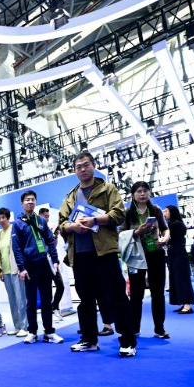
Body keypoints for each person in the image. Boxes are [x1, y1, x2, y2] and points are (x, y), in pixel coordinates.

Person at [58, 151, 136, 356]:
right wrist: (72, 226)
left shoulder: (108, 189)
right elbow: (61, 224)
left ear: (93, 166)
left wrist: (95, 220)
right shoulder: (70, 196)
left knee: (117, 296)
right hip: (79, 255)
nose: (83, 169)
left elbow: (119, 214)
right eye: (79, 167)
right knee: (85, 300)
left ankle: (127, 341)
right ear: (74, 171)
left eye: (86, 165)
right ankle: (89, 339)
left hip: (104, 252)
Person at [12, 191, 63, 344]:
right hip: (29, 266)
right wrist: (21, 268)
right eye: (27, 200)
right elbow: (16, 248)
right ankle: (32, 332)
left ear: (35, 202)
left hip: (44, 264)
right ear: (22, 203)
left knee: (47, 299)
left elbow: (50, 240)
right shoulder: (18, 224)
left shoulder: (41, 220)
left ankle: (49, 332)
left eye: (32, 199)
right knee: (31, 301)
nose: (30, 202)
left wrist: (55, 260)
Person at [121, 181, 170, 338]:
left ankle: (159, 328)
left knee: (158, 293)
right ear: (133, 195)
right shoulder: (127, 212)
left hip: (156, 253)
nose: (142, 194)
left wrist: (165, 238)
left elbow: (165, 229)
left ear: (149, 193)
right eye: (139, 191)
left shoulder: (156, 210)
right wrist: (137, 232)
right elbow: (121, 234)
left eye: (145, 191)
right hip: (136, 256)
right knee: (136, 294)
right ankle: (134, 328)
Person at [0, 207, 27, 337]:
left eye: (3, 217)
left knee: (20, 299)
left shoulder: (14, 229)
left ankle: (24, 326)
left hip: (16, 269)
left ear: (8, 218)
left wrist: (21, 267)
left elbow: (20, 249)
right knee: (12, 300)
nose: (1, 220)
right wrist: (0, 270)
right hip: (6, 271)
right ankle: (17, 326)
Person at [164, 205, 194, 314]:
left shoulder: (175, 224)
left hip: (178, 254)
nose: (164, 213)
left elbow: (170, 239)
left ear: (172, 212)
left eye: (166, 211)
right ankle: (183, 303)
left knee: (181, 279)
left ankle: (187, 305)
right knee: (177, 279)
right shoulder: (174, 224)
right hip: (175, 254)